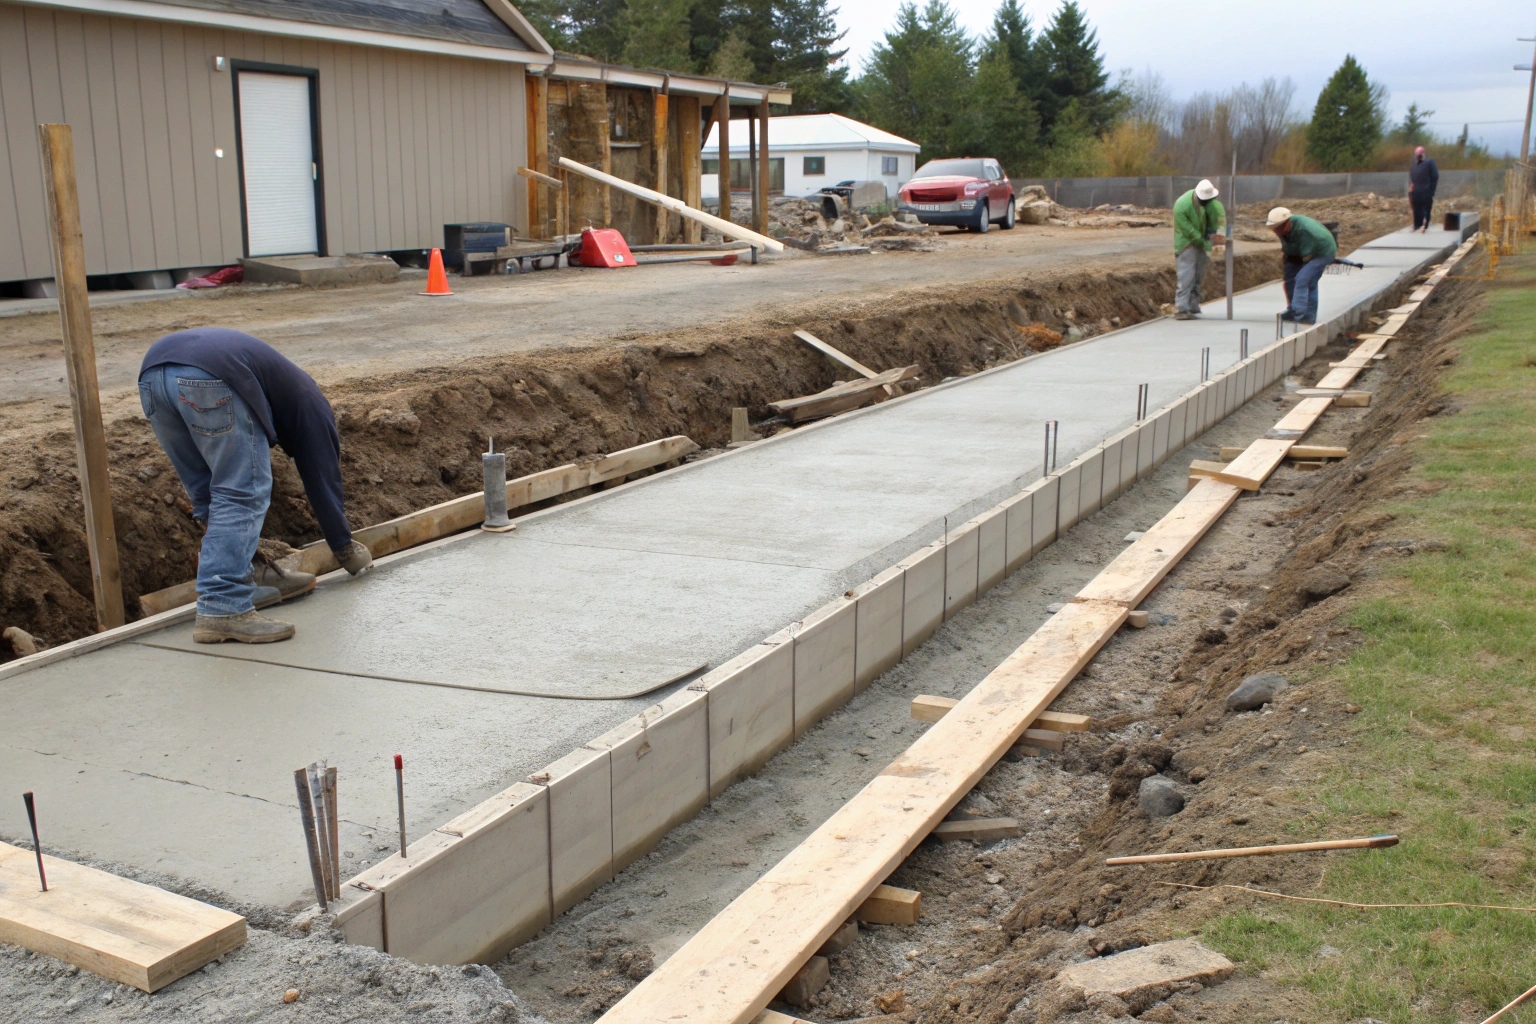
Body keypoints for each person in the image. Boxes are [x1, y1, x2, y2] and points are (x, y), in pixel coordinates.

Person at [139, 329, 373, 643]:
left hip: (154, 376)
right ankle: (223, 604)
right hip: (208, 377)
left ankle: (244, 575)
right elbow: (322, 475)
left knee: (208, 488)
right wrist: (345, 548)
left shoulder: (286, 384)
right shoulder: (312, 404)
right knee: (243, 489)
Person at [1266, 207, 1337, 325]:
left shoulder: (1305, 230)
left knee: (1305, 280)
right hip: (1297, 252)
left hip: (1321, 253)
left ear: (1286, 223)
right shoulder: (1281, 228)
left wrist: (1301, 273)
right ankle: (1292, 310)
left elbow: (1307, 259)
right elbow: (1287, 245)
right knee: (1290, 281)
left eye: (1278, 229)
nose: (1276, 232)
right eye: (1274, 229)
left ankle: (1306, 316)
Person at [1172, 179, 1226, 320]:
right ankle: (1181, 308)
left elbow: (1216, 220)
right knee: (1186, 275)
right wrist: (1205, 244)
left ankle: (1193, 306)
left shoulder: (1208, 203)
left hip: (1201, 240)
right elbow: (1189, 231)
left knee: (1199, 275)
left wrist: (1217, 235)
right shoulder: (1181, 206)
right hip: (1186, 243)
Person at [1409, 145, 1439, 232]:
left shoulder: (1428, 163)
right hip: (1418, 191)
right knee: (1418, 210)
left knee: (1424, 209)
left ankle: (1423, 225)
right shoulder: (1415, 166)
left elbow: (1435, 176)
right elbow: (1413, 179)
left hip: (1424, 191)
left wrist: (1431, 190)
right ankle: (1418, 225)